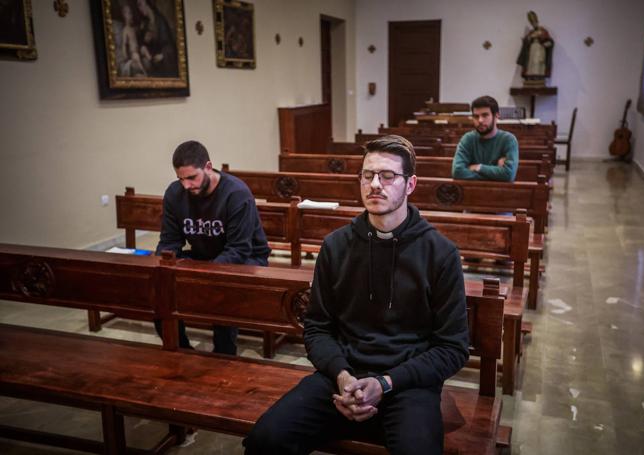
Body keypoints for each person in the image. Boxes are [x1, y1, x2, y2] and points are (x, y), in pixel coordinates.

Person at [243, 135, 469, 455]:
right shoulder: (336, 246)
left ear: (410, 184)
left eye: (388, 176)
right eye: (368, 175)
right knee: (265, 441)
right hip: (342, 379)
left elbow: (452, 347)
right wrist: (342, 374)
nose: (375, 184)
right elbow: (318, 327)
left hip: (408, 385)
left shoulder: (439, 254)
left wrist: (386, 383)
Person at [155, 140, 271, 354]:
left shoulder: (236, 194)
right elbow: (169, 241)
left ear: (208, 167)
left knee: (220, 293)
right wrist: (165, 268)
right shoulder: (174, 193)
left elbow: (238, 249)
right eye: (180, 179)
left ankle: (224, 355)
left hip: (248, 259)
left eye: (192, 177)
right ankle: (182, 351)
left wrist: (202, 277)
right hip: (204, 256)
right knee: (160, 291)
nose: (186, 185)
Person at [451, 95, 519, 182]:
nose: (480, 120)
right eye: (476, 116)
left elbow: (508, 175)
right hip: (471, 193)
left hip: (500, 193)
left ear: (496, 116)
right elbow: (457, 172)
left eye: (485, 115)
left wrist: (478, 167)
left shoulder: (508, 140)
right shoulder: (468, 139)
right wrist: (497, 174)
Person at [516, 11, 554, 80]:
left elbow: (550, 42)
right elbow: (526, 42)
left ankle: (539, 78)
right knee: (531, 64)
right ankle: (531, 78)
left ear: (537, 21)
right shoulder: (531, 32)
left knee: (538, 63)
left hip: (540, 49)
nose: (533, 24)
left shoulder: (543, 31)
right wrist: (527, 40)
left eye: (534, 22)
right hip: (532, 51)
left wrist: (544, 42)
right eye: (532, 23)